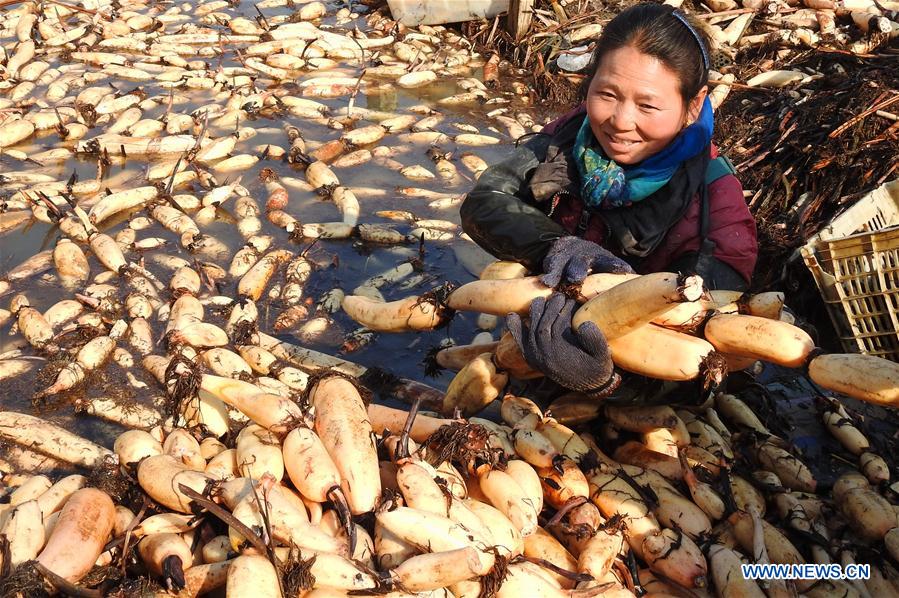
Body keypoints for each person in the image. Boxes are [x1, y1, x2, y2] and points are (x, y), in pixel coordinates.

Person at [460, 3, 758, 402]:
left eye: (647, 105)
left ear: (693, 104)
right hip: (540, 335)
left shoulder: (716, 207)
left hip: (629, 384)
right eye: (607, 94)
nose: (620, 121)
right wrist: (557, 247)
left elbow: (709, 361)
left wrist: (605, 382)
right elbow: (487, 201)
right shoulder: (570, 135)